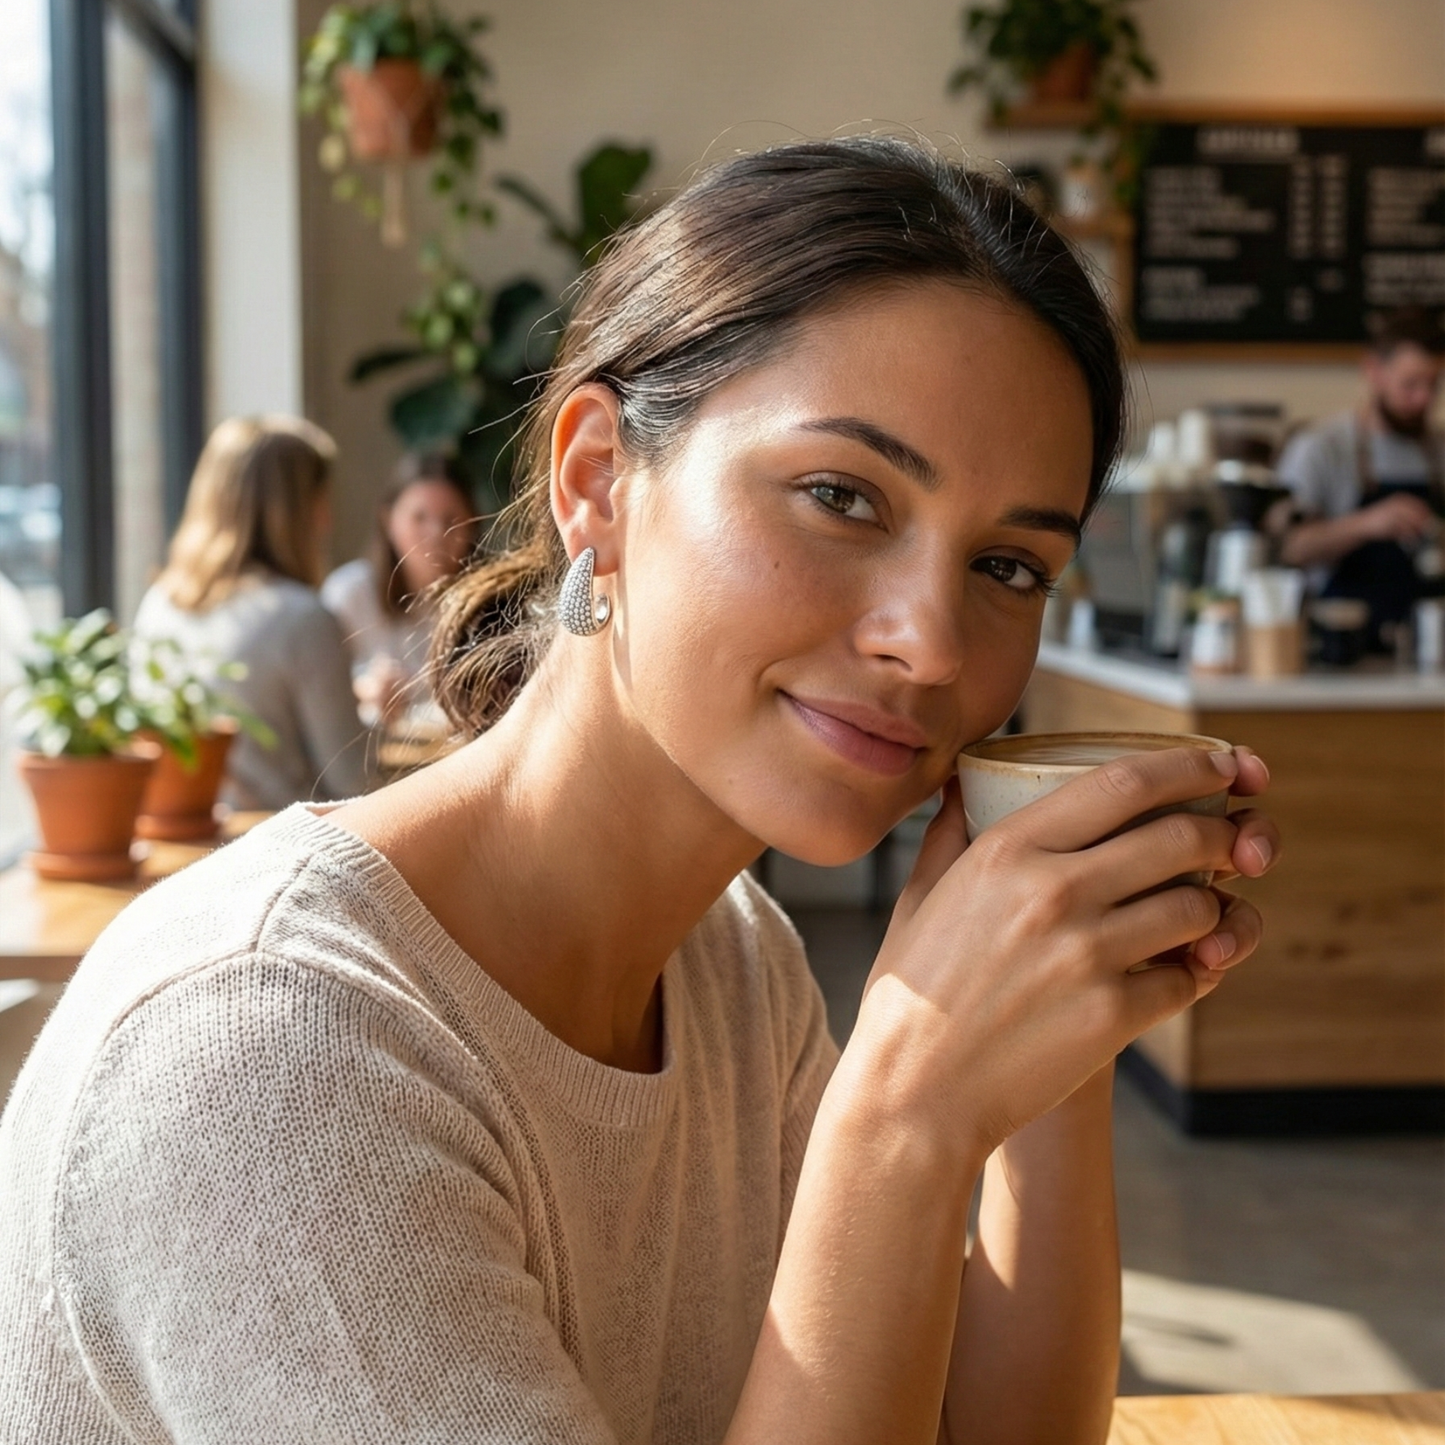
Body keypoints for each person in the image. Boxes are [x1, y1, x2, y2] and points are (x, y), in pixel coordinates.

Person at [0, 139, 1279, 1444]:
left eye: (1008, 566)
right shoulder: (266, 1064)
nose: (933, 644)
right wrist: (901, 1119)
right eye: (842, 495)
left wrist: (1046, 1029)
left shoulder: (729, 964)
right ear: (596, 481)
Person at [131, 415, 373, 809]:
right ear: (295, 510)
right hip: (279, 849)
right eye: (321, 499)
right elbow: (355, 784)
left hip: (187, 846)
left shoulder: (159, 602)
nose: (328, 520)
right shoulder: (303, 617)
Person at [1277, 307, 1445, 648]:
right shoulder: (1321, 448)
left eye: (1433, 385)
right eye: (1410, 384)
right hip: (1341, 651)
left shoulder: (1440, 450)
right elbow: (1288, 548)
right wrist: (1368, 524)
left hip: (1429, 650)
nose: (1424, 399)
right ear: (1373, 371)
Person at [321, 451, 480, 722]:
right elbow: (317, 684)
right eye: (419, 518)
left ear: (473, 524)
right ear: (388, 520)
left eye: (451, 520)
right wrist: (366, 691)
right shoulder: (350, 592)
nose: (436, 534)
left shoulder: (490, 603)